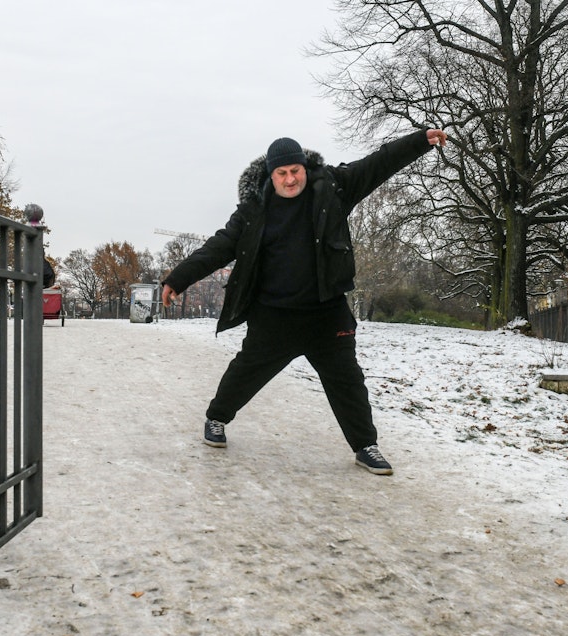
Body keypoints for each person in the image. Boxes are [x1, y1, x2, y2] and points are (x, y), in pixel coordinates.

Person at [161, 128, 447, 475]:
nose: (290, 178)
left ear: (304, 167)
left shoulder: (333, 187)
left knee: (347, 382)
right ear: (271, 176)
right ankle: (216, 418)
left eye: (295, 170)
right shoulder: (254, 210)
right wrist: (178, 278)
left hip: (326, 313)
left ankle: (365, 446)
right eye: (281, 173)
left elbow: (378, 164)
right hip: (274, 315)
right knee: (246, 372)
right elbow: (218, 246)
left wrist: (418, 141)